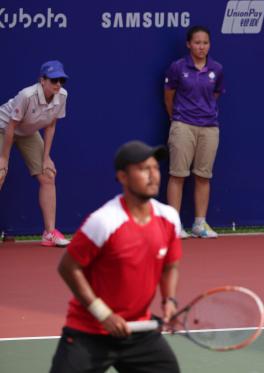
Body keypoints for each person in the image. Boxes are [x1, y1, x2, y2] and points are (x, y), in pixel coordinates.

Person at [49, 141, 182, 372]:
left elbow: (170, 266)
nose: (153, 175)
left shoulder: (169, 218)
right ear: (122, 177)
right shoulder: (104, 221)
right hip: (89, 332)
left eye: (156, 168)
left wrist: (168, 300)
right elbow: (68, 267)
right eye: (143, 169)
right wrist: (104, 314)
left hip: (138, 332)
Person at [0, 60, 70, 247]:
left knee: (48, 175)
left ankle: (49, 233)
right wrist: (4, 159)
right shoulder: (27, 95)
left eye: (61, 80)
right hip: (3, 128)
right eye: (53, 80)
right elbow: (11, 126)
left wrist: (46, 157)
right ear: (42, 80)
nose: (58, 84)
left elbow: (51, 125)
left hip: (28, 133)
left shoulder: (62, 96)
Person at [164, 25, 225, 239]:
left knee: (203, 176)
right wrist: (177, 118)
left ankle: (200, 224)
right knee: (177, 175)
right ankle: (173, 225)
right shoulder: (177, 67)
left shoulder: (216, 69)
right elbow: (169, 95)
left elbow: (215, 95)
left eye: (205, 43)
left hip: (209, 127)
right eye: (197, 42)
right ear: (189, 44)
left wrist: (203, 113)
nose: (201, 47)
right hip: (182, 125)